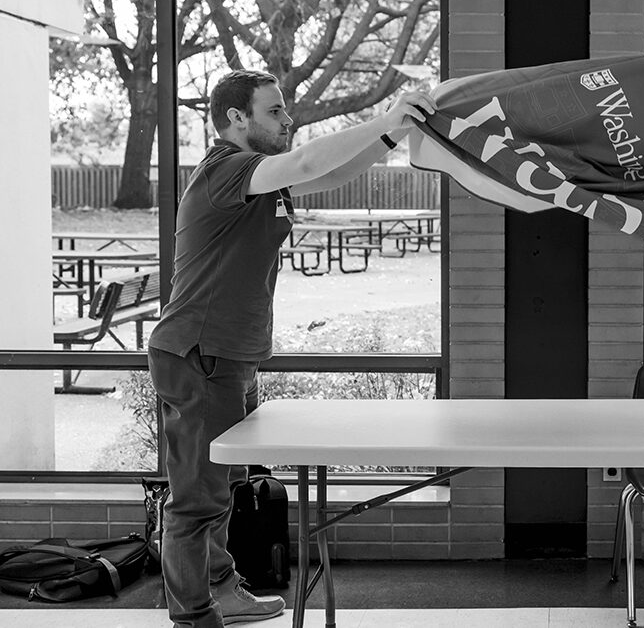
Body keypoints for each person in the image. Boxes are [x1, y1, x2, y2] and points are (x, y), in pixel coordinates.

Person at [147, 69, 435, 627]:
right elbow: (306, 163)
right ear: (237, 117)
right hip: (198, 353)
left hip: (229, 355)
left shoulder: (254, 178)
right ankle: (192, 615)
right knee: (195, 498)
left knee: (224, 486)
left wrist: (391, 134)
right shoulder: (226, 171)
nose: (288, 118)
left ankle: (222, 589)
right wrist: (387, 115)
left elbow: (327, 173)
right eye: (274, 110)